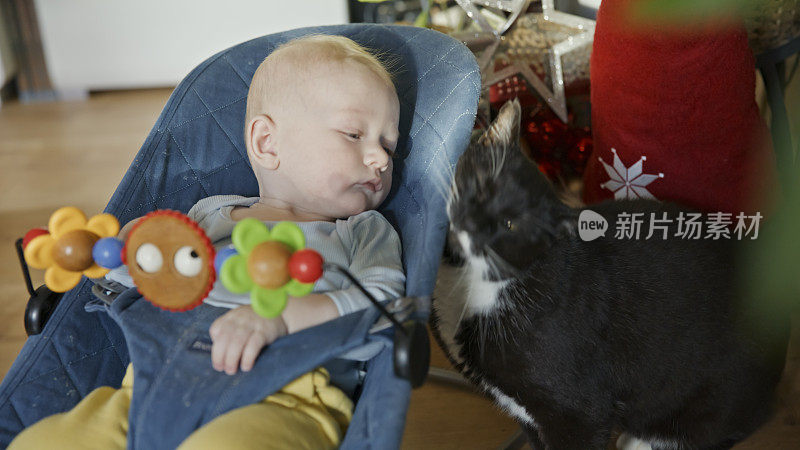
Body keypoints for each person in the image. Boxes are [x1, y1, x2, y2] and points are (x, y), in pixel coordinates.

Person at [10, 34, 405, 450]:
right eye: (353, 134)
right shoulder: (209, 215)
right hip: (151, 382)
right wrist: (129, 249)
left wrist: (285, 318)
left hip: (287, 396)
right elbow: (138, 287)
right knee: (51, 439)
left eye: (389, 146)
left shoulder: (363, 230)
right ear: (267, 143)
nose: (380, 158)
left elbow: (387, 304)